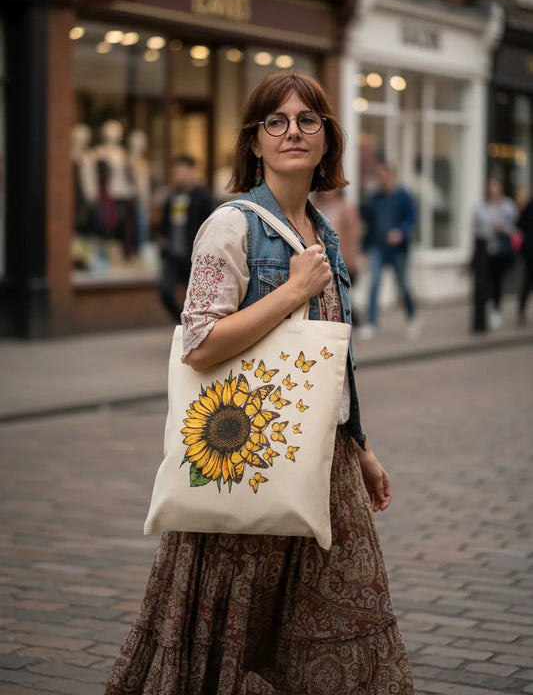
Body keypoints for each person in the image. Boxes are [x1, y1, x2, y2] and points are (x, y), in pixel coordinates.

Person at [105, 72, 414, 695]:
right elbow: (198, 344)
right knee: (245, 633)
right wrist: (294, 291)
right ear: (254, 142)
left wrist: (362, 449)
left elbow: (329, 363)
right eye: (276, 121)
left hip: (322, 465)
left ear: (328, 140)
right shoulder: (231, 227)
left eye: (308, 121)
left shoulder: (322, 231)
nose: (293, 132)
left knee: (336, 624)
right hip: (253, 461)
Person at [360, 163, 418, 339]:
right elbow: (368, 224)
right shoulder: (375, 198)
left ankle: (412, 317)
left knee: (402, 284)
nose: (383, 180)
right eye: (380, 177)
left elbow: (412, 218)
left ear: (392, 176)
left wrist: (401, 231)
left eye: (386, 176)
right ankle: (371, 323)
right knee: (374, 283)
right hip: (378, 247)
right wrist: (365, 249)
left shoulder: (403, 196)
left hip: (398, 250)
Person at [158, 154, 214, 323]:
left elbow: (211, 222)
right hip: (174, 254)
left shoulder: (202, 195)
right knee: (166, 292)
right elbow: (165, 223)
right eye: (177, 171)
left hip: (194, 254)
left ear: (191, 172)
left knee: (197, 296)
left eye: (183, 170)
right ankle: (182, 324)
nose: (180, 174)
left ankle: (194, 327)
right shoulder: (172, 196)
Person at [313, 188, 364, 325]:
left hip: (342, 257)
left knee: (343, 293)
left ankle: (351, 321)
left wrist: (353, 259)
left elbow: (354, 235)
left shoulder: (346, 207)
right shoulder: (315, 206)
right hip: (322, 258)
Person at [473, 177, 518, 330]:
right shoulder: (481, 208)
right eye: (491, 187)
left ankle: (496, 309)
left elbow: (514, 229)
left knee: (498, 280)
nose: (493, 190)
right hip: (485, 250)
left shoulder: (508, 207)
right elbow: (477, 229)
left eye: (496, 186)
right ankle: (490, 309)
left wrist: (503, 229)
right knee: (487, 282)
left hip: (502, 250)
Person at [517, 194, 533, 326]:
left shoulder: (528, 205)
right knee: (527, 282)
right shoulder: (529, 206)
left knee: (527, 282)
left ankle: (521, 311)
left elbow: (520, 225)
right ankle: (521, 312)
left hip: (528, 251)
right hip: (529, 252)